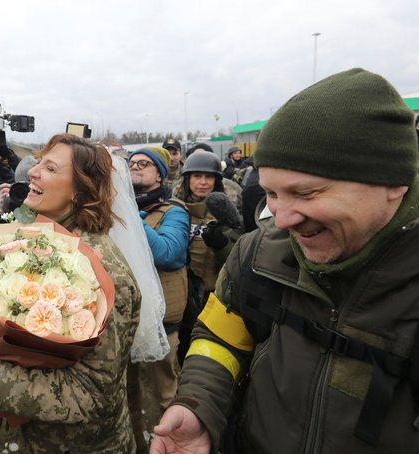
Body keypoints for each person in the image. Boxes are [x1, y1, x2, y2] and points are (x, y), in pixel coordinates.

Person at [152, 68, 419, 454]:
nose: (281, 219)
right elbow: (218, 340)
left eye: (306, 193)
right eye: (272, 193)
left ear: (394, 182)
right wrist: (199, 406)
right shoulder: (257, 255)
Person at [0, 133, 141, 453]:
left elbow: (93, 393)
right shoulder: (47, 242)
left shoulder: (102, 273)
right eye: (39, 161)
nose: (31, 171)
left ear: (79, 191)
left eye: (50, 167)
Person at [126, 146, 190, 452]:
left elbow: (168, 252)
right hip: (126, 318)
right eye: (132, 163)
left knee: (166, 390)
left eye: (144, 163)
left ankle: (175, 443)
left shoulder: (173, 210)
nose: (135, 167)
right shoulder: (119, 206)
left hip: (162, 321)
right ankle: (137, 444)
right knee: (127, 393)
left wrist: (129, 216)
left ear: (159, 174)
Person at [171, 151, 243, 363]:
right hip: (183, 295)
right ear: (187, 180)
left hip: (214, 296)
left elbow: (239, 260)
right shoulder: (174, 208)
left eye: (209, 177)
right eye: (197, 177)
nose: (203, 182)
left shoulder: (227, 213)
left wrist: (222, 243)